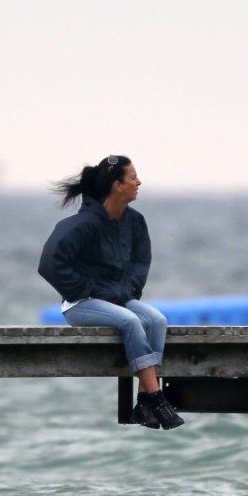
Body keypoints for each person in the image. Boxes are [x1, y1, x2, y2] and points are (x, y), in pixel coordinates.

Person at [38, 155, 184, 430]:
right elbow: (49, 263)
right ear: (118, 185)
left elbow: (142, 260)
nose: (139, 182)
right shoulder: (83, 224)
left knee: (156, 320)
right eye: (133, 178)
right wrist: (83, 290)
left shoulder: (135, 222)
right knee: (130, 321)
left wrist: (130, 290)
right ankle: (157, 398)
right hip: (81, 304)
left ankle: (142, 403)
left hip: (119, 300)